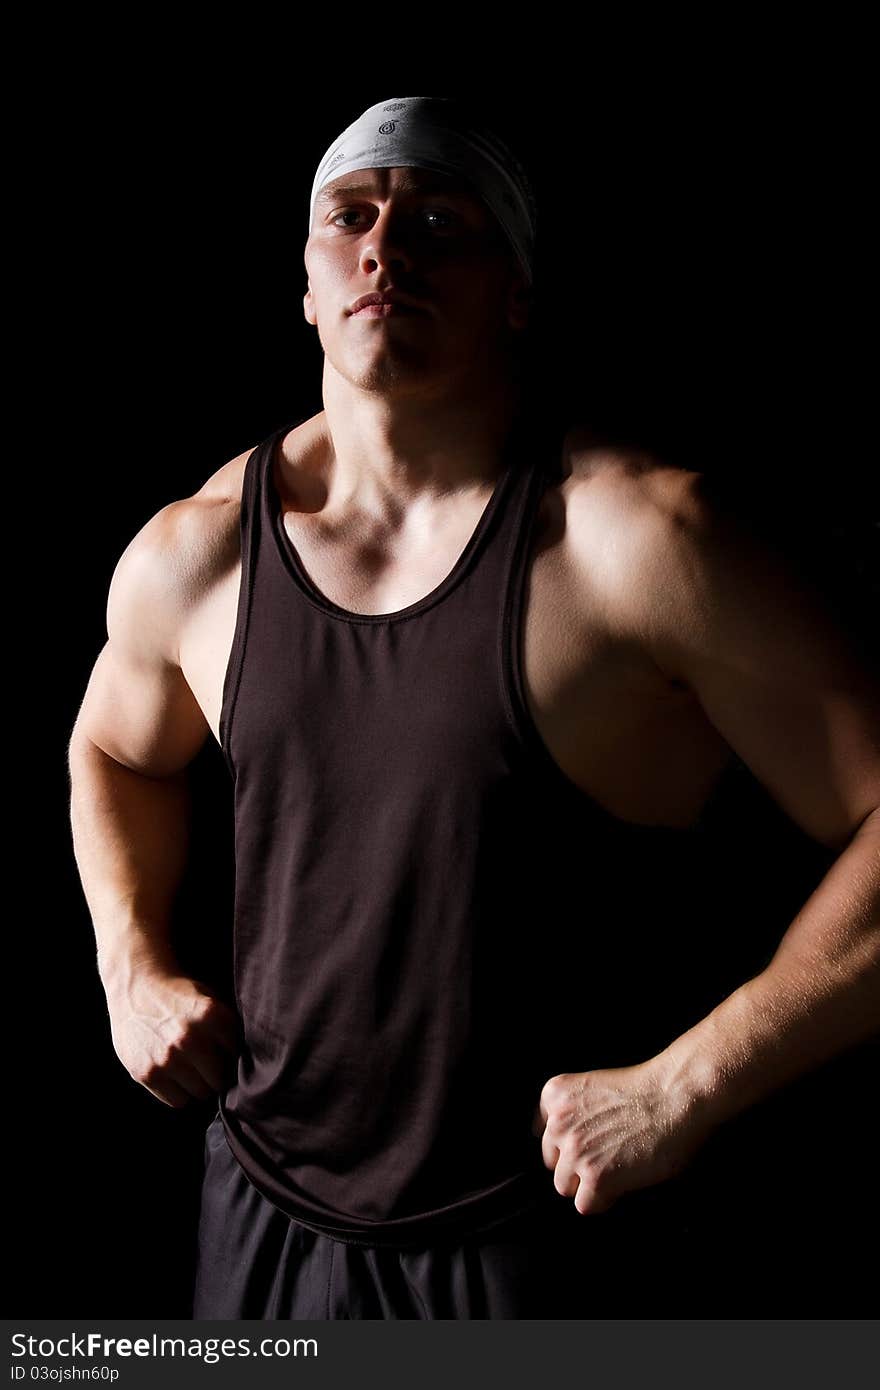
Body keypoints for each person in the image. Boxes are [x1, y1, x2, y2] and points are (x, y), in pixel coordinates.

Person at [67, 96, 880, 1319]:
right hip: (260, 1220)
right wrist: (131, 966)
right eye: (353, 215)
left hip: (543, 1235)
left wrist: (687, 1084)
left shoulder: (636, 544)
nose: (387, 246)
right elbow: (112, 750)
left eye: (440, 220)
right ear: (307, 282)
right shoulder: (200, 553)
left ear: (515, 290)